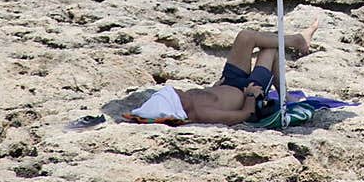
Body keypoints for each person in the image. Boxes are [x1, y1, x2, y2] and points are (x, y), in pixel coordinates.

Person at [123, 18, 319, 126]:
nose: (178, 91)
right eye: (177, 95)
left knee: (245, 37)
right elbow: (241, 116)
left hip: (229, 83)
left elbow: (211, 96)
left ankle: (297, 41)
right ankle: (285, 91)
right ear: (178, 108)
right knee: (269, 50)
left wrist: (215, 87)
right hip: (249, 94)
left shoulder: (188, 101)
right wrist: (251, 97)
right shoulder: (200, 113)